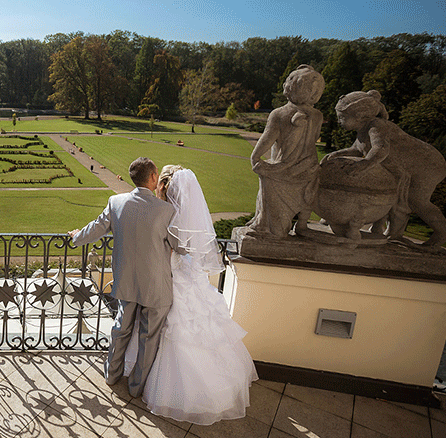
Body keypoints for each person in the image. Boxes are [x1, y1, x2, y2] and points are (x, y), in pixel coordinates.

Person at [125, 165, 258, 425]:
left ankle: (152, 382)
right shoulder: (185, 216)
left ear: (164, 187)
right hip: (190, 275)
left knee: (163, 328)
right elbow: (187, 250)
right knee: (200, 327)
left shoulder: (164, 213)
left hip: (168, 278)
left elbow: (166, 249)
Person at [69, 157, 178, 398]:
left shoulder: (116, 202)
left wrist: (76, 237)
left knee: (120, 330)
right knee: (148, 339)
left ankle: (111, 375)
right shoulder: (167, 211)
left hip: (126, 281)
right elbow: (180, 246)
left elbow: (95, 228)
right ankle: (136, 387)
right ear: (153, 177)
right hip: (156, 286)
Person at [322, 90, 446, 247]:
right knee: (397, 195)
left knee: (416, 200)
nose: (338, 121)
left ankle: (442, 233)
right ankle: (394, 233)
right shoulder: (363, 129)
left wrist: (364, 165)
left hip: (426, 165)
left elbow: (380, 149)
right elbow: (357, 149)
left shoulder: (377, 126)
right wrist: (335, 154)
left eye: (342, 117)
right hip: (405, 168)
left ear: (359, 115)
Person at [248, 65, 325, 238]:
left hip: (285, 169)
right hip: (309, 167)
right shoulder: (317, 115)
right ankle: (301, 223)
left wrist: (255, 157)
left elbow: (267, 139)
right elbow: (314, 139)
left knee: (267, 174)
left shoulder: (280, 114)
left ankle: (268, 225)